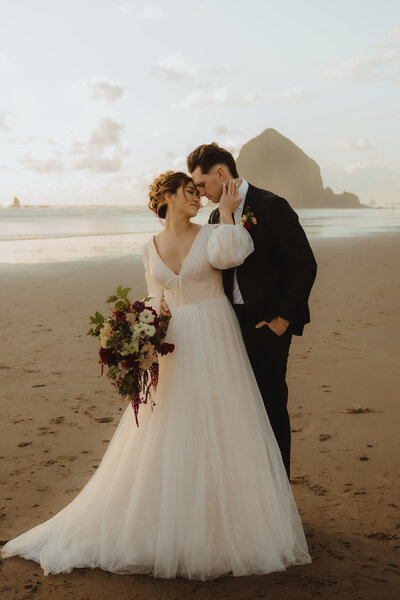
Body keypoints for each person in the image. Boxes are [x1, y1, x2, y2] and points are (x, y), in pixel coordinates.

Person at [0, 171, 311, 580]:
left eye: (198, 193)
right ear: (165, 197)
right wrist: (144, 329)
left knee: (222, 421)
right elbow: (155, 297)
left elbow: (234, 255)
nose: (197, 199)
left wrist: (229, 212)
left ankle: (229, 521)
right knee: (171, 426)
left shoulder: (213, 231)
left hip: (216, 337)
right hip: (175, 344)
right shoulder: (148, 247)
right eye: (188, 192)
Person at [187, 144, 318, 481]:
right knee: (242, 407)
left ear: (220, 174)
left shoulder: (272, 206)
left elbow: (304, 265)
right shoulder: (218, 216)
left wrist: (283, 319)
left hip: (268, 325)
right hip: (230, 325)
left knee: (271, 406)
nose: (201, 195)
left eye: (201, 185)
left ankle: (280, 493)